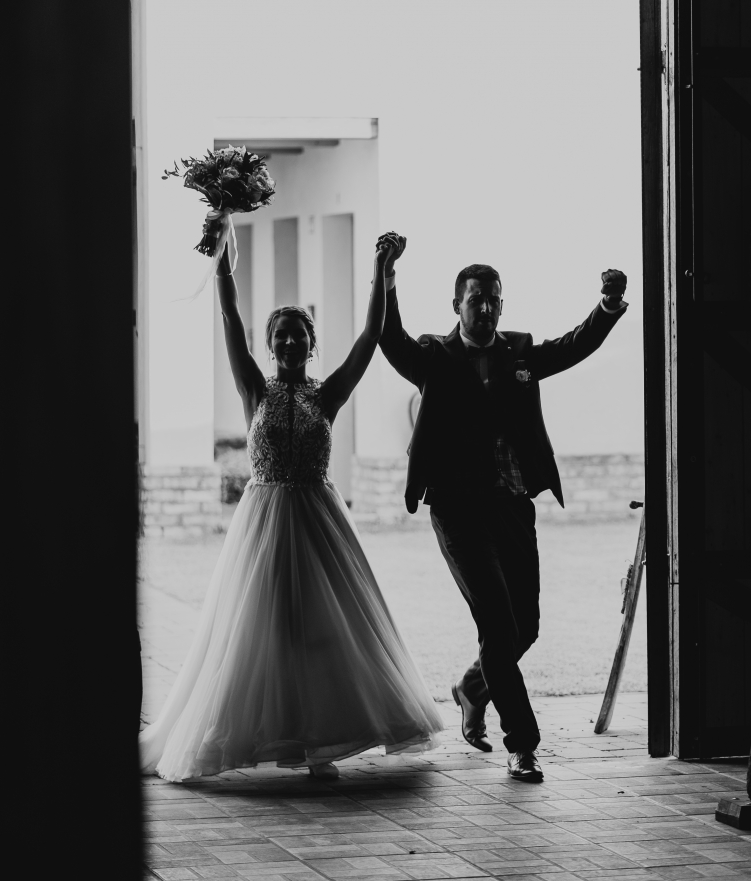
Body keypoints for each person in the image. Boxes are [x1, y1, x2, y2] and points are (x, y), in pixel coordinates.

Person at [139, 221, 442, 782]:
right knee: (263, 633)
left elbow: (370, 337)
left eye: (298, 335)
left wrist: (382, 271)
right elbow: (230, 316)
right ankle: (271, 736)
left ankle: (319, 745)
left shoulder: (328, 395)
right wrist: (222, 246)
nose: (288, 343)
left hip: (319, 524)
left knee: (324, 634)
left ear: (311, 343)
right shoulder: (254, 389)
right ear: (269, 343)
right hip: (262, 525)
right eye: (280, 335)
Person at [376, 231, 628, 781]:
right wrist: (387, 276)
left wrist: (607, 307)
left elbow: (572, 347)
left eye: (494, 299)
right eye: (476, 300)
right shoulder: (435, 357)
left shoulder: (520, 351)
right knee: (496, 621)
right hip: (458, 512)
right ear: (457, 305)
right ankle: (523, 744)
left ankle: (472, 686)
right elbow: (389, 338)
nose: (486, 308)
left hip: (512, 508)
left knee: (524, 628)